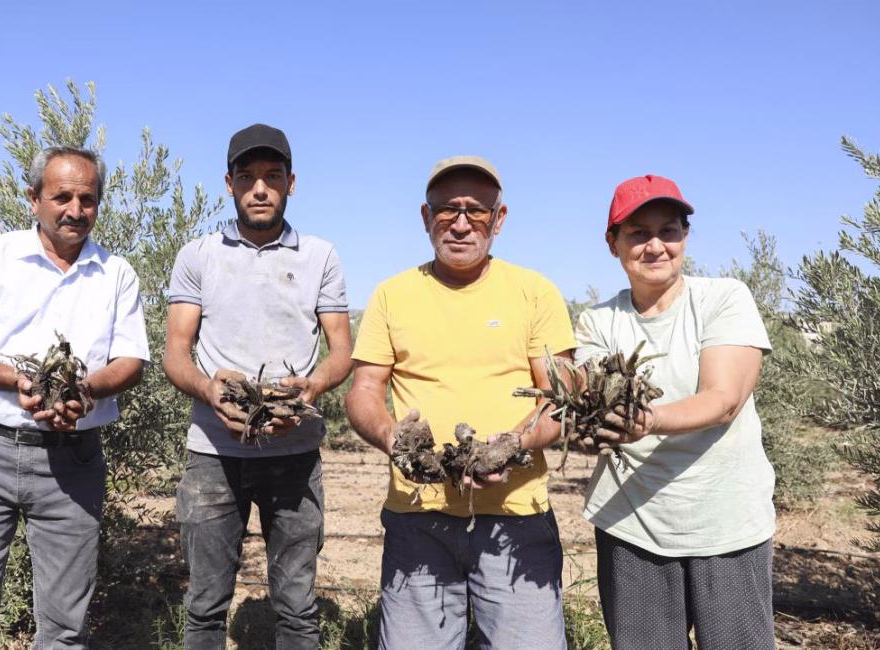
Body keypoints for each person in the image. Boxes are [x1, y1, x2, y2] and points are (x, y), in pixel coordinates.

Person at [0, 146, 150, 649]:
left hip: (73, 461)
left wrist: (87, 390)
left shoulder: (117, 274)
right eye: (62, 196)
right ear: (33, 198)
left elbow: (131, 361)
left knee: (66, 632)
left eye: (87, 199)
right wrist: (16, 381)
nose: (75, 209)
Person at [346, 156, 575, 650]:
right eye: (447, 210)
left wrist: (515, 445)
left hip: (516, 518)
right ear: (426, 218)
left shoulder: (534, 293)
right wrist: (392, 436)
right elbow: (364, 391)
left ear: (500, 218)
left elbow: (562, 397)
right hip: (417, 514)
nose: (462, 222)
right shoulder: (392, 294)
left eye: (477, 210)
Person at [162, 123, 353, 649]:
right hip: (212, 454)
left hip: (294, 453)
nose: (260, 188)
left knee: (296, 607)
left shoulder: (320, 256)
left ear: (292, 183)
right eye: (247, 177)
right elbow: (176, 353)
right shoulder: (197, 255)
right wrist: (209, 391)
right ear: (229, 184)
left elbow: (342, 352)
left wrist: (310, 388)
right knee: (204, 606)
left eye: (272, 176)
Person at [575, 174, 776, 649]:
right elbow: (590, 403)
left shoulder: (724, 298)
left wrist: (647, 421)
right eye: (638, 233)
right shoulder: (597, 322)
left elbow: (724, 399)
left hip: (726, 525)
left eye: (669, 231)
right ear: (613, 244)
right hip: (632, 527)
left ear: (685, 236)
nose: (656, 246)